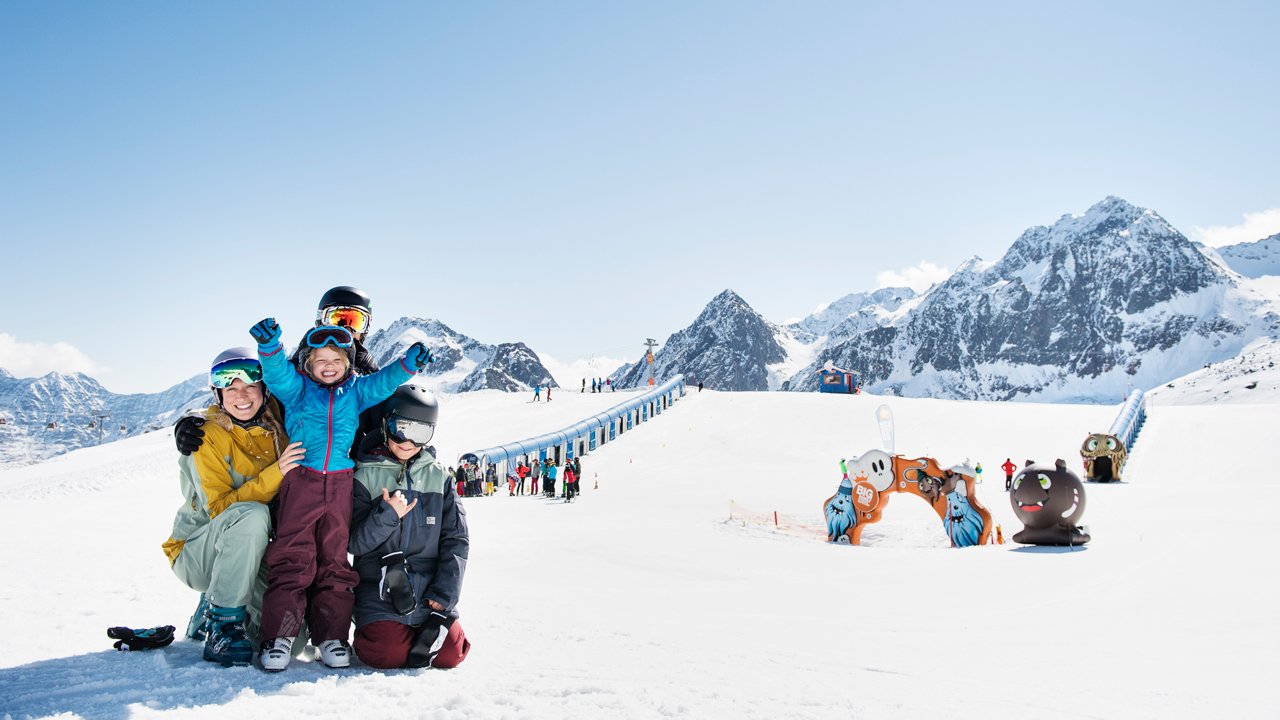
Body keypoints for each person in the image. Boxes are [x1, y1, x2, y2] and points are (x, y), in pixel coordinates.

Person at [249, 319, 432, 672]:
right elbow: (276, 376)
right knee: (293, 556)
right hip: (302, 481)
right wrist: (270, 348)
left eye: (336, 359)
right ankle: (279, 636)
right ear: (307, 364)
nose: (328, 366)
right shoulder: (298, 390)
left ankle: (331, 637)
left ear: (348, 363)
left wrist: (408, 364)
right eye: (320, 360)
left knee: (334, 559)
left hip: (340, 483)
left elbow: (384, 382)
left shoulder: (357, 392)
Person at [163, 348, 299, 666]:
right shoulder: (206, 436)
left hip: (249, 550)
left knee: (291, 639)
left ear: (265, 389)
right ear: (218, 394)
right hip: (198, 551)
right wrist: (277, 473)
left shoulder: (277, 422)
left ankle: (209, 609)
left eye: (250, 385)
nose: (242, 395)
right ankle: (222, 626)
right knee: (252, 514)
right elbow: (221, 508)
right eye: (230, 387)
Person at [349, 385, 471, 669]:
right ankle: (392, 636)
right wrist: (387, 514)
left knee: (452, 654)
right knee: (384, 654)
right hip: (380, 588)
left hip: (430, 592)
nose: (408, 442)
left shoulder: (440, 478)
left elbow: (457, 540)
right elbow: (355, 544)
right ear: (385, 424)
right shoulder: (363, 475)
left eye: (421, 433)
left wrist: (444, 595)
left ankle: (421, 637)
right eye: (400, 429)